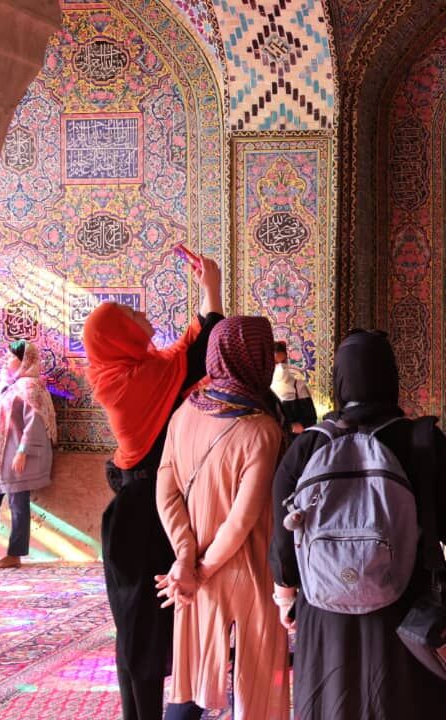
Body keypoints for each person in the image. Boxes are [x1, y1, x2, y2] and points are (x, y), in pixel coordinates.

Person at [269, 329, 446, 720]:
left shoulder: (309, 445)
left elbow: (281, 534)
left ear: (340, 380)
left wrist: (286, 595)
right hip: (410, 611)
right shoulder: (423, 439)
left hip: (324, 606)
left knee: (332, 702)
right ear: (391, 377)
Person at [82, 255, 223, 720]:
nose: (141, 315)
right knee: (143, 630)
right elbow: (197, 355)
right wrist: (212, 290)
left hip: (141, 508)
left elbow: (184, 353)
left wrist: (210, 290)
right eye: (130, 316)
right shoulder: (134, 384)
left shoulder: (129, 370)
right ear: (120, 335)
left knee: (142, 627)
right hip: (144, 519)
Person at [155, 317, 289, 720]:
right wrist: (201, 568)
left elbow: (166, 489)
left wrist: (185, 557)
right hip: (248, 572)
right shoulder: (263, 428)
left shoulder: (184, 414)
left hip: (195, 575)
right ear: (259, 359)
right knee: (258, 686)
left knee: (189, 678)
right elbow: (242, 520)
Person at [0, 339, 57, 569]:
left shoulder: (29, 386)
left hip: (17, 453)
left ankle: (15, 554)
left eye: (11, 357)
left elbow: (35, 421)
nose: (6, 361)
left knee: (18, 503)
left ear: (23, 360)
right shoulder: (7, 384)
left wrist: (23, 451)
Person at [271, 340, 316, 436]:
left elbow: (310, 419)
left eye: (283, 362)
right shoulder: (263, 386)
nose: (281, 367)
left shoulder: (298, 385)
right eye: (275, 363)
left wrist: (291, 427)